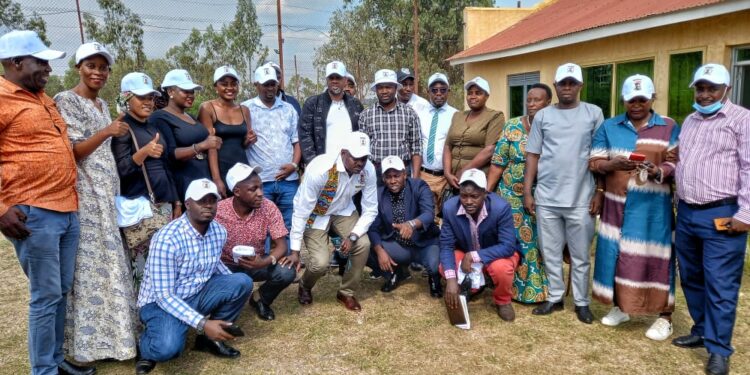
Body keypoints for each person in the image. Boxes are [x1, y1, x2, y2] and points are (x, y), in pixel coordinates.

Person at [0, 29, 93, 375]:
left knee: (61, 291)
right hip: (32, 214)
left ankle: (54, 360)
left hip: (67, 210)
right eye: (41, 62)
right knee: (45, 296)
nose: (48, 69)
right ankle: (44, 370)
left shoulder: (42, 97)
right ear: (15, 62)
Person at [54, 42, 139, 364]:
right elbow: (73, 151)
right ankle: (87, 345)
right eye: (91, 66)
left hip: (107, 195)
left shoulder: (103, 104)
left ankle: (116, 339)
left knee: (110, 266)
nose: (98, 72)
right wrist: (107, 131)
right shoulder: (66, 100)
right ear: (79, 67)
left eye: (103, 67)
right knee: (90, 270)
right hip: (86, 196)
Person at [671, 63, 749, 375]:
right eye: (700, 88)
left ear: (725, 90)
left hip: (723, 213)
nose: (704, 95)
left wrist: (746, 214)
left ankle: (719, 349)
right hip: (688, 212)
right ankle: (702, 330)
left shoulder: (742, 120)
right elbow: (685, 161)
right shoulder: (690, 121)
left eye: (711, 89)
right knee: (690, 277)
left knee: (720, 283)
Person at [589, 74, 679, 341]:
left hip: (653, 208)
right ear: (623, 100)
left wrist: (658, 170)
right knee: (616, 256)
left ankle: (665, 317)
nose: (637, 104)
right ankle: (622, 307)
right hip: (616, 205)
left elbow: (677, 161)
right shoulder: (609, 126)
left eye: (642, 99)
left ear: (652, 98)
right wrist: (612, 165)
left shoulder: (669, 126)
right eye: (631, 100)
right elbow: (594, 162)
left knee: (657, 258)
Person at [135, 179, 252, 375]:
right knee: (168, 349)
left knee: (242, 281)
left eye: (212, 200)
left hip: (195, 293)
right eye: (201, 200)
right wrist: (203, 323)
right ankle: (145, 345)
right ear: (188, 204)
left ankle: (210, 339)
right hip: (160, 304)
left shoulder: (218, 231)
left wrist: (238, 291)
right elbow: (164, 296)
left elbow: (215, 264)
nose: (208, 205)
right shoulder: (167, 239)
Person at [523, 63, 604, 324]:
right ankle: (555, 297)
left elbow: (600, 155)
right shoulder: (544, 116)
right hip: (547, 198)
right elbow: (533, 154)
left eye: (572, 83)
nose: (567, 87)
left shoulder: (593, 113)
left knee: (581, 256)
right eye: (562, 84)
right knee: (551, 252)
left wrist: (599, 191)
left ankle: (581, 302)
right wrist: (528, 191)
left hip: (581, 198)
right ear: (556, 87)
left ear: (580, 86)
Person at [291, 132, 378, 311]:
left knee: (363, 244)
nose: (360, 163)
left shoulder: (367, 170)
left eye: (364, 158)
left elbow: (370, 209)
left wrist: (353, 236)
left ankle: (346, 292)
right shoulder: (320, 170)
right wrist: (295, 250)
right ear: (343, 152)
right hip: (315, 213)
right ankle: (305, 285)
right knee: (319, 264)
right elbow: (301, 211)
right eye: (356, 158)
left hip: (343, 210)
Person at [111, 72, 180, 285]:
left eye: (150, 97)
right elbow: (122, 170)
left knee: (166, 264)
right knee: (144, 268)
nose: (148, 102)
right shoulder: (123, 128)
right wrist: (144, 152)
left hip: (164, 204)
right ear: (126, 97)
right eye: (142, 97)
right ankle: (143, 314)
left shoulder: (152, 126)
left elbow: (167, 166)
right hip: (142, 208)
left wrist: (176, 202)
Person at [486, 83, 552, 304]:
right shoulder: (513, 126)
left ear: (548, 103)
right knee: (511, 241)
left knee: (535, 243)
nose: (532, 104)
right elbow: (497, 163)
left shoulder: (554, 127)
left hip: (541, 194)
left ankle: (534, 289)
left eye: (537, 100)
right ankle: (506, 286)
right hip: (509, 197)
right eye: (529, 100)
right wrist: (487, 192)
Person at [215, 163, 298, 321]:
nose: (260, 193)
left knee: (287, 271)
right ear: (237, 192)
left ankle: (261, 299)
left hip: (258, 262)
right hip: (225, 267)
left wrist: (264, 261)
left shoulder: (268, 207)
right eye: (253, 189)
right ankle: (221, 310)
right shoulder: (218, 211)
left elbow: (281, 245)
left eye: (260, 187)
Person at [440, 169, 521, 322]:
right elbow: (446, 245)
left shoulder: (501, 208)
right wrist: (451, 280)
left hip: (495, 254)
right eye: (464, 195)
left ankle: (503, 300)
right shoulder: (450, 208)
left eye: (474, 196)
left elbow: (508, 245)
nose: (468, 201)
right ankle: (472, 287)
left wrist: (474, 256)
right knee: (444, 266)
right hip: (466, 251)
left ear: (485, 193)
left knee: (501, 268)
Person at [366, 156, 441, 296]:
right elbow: (373, 227)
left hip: (424, 243)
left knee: (434, 265)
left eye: (397, 176)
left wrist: (411, 224)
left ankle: (434, 277)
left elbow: (428, 214)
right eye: (388, 177)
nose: (393, 181)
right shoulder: (379, 195)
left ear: (405, 174)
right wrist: (379, 250)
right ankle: (395, 273)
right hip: (400, 246)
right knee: (364, 246)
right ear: (383, 178)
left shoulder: (419, 186)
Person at [241, 65, 301, 240]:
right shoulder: (245, 108)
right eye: (266, 84)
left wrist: (294, 165)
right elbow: (240, 143)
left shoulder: (288, 109)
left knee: (289, 224)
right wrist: (245, 142)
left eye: (273, 84)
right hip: (261, 182)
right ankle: (264, 265)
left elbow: (296, 141)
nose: (270, 88)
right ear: (256, 84)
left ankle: (289, 263)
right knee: (261, 227)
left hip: (288, 180)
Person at [151, 69, 221, 201]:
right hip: (184, 181)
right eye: (185, 91)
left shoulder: (190, 117)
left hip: (203, 177)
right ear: (170, 91)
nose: (191, 95)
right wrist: (201, 146)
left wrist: (216, 178)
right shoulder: (160, 117)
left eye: (192, 91)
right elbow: (170, 154)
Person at [198, 66, 255, 198]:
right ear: (215, 87)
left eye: (234, 84)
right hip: (220, 168)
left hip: (241, 168)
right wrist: (217, 179)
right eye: (224, 84)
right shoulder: (207, 108)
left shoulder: (244, 110)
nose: (230, 88)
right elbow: (210, 145)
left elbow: (243, 144)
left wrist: (249, 140)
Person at [359, 69, 422, 182]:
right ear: (376, 90)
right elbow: (362, 149)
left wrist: (415, 179)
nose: (384, 91)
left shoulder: (410, 113)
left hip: (402, 171)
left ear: (395, 88)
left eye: (388, 87)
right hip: (376, 171)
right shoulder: (366, 115)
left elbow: (416, 148)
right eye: (380, 87)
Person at [443, 77, 504, 191]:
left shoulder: (495, 116)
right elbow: (447, 146)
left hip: (477, 179)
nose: (473, 96)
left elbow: (490, 150)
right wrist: (447, 173)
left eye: (478, 93)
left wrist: (464, 171)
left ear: (487, 96)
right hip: (453, 179)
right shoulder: (457, 116)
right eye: (470, 93)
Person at [299, 61, 364, 165]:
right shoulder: (313, 104)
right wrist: (314, 165)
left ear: (345, 80)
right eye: (331, 78)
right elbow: (305, 136)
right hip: (325, 167)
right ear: (327, 80)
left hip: (350, 167)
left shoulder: (355, 104)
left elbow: (362, 133)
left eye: (338, 78)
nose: (334, 81)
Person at [416, 72, 458, 215]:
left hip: (446, 178)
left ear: (448, 91)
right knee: (427, 217)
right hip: (424, 175)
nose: (438, 93)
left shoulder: (456, 115)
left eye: (443, 90)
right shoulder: (419, 114)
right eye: (434, 90)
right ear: (428, 92)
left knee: (447, 218)